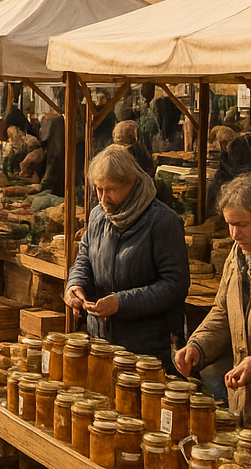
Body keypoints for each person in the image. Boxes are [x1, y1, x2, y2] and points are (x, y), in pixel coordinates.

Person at [174, 173, 251, 424]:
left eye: (242, 224)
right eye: (229, 224)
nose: (234, 234)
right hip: (247, 406)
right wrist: (198, 345)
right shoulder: (239, 256)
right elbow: (223, 312)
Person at [64, 145, 189, 368]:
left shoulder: (162, 222)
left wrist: (122, 302)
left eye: (111, 190)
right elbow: (84, 257)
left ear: (132, 183)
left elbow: (174, 285)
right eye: (99, 189)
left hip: (145, 350)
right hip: (100, 342)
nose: (103, 198)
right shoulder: (98, 216)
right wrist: (75, 285)